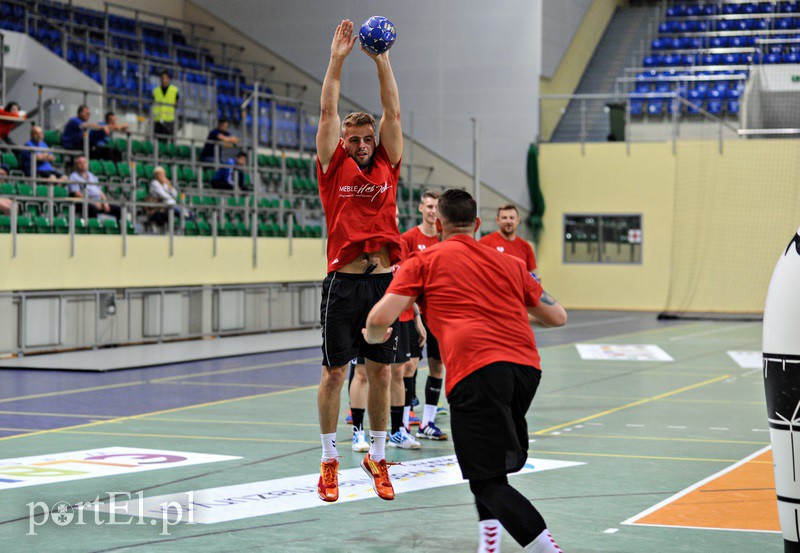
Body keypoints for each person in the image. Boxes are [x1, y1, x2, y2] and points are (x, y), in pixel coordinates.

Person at [365, 189, 567, 553]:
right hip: (525, 370)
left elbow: (380, 317)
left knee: (488, 481)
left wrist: (372, 335)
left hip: (476, 371)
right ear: (476, 224)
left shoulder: (423, 262)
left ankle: (547, 549)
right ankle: (488, 545)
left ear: (439, 224)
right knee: (486, 467)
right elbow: (557, 316)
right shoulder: (510, 263)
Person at [315, 19, 404, 503]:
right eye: (355, 140)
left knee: (383, 372)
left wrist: (381, 59)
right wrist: (338, 59)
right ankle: (329, 460)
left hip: (384, 283)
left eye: (368, 138)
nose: (363, 145)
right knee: (334, 373)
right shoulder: (333, 167)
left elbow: (393, 110)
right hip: (343, 282)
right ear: (344, 144)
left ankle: (378, 457)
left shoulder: (388, 162)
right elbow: (328, 108)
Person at [401, 189, 448, 440]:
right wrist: (416, 313)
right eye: (429, 206)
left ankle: (427, 423)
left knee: (437, 365)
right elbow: (404, 279)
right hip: (413, 313)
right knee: (409, 366)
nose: (432, 211)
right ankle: (404, 424)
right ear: (421, 208)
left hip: (438, 313)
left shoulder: (444, 240)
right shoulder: (409, 238)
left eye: (436, 207)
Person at [480, 204, 538, 273]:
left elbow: (532, 275)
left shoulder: (526, 247)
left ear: (518, 220)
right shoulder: (484, 243)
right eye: (504, 218)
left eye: (511, 218)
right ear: (497, 220)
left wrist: (536, 278)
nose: (508, 221)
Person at [68, 156, 121, 220]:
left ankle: (120, 225)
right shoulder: (73, 176)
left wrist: (105, 202)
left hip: (98, 201)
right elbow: (77, 194)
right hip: (85, 202)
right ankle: (93, 226)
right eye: (80, 163)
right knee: (93, 209)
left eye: (84, 162)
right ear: (76, 165)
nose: (82, 164)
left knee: (118, 209)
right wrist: (92, 202)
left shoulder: (91, 175)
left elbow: (100, 191)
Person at [152, 70, 179, 137]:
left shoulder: (174, 90)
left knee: (169, 139)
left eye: (165, 78)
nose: (163, 80)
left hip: (169, 120)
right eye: (162, 78)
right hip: (158, 120)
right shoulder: (155, 91)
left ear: (168, 79)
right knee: (158, 139)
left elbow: (176, 103)